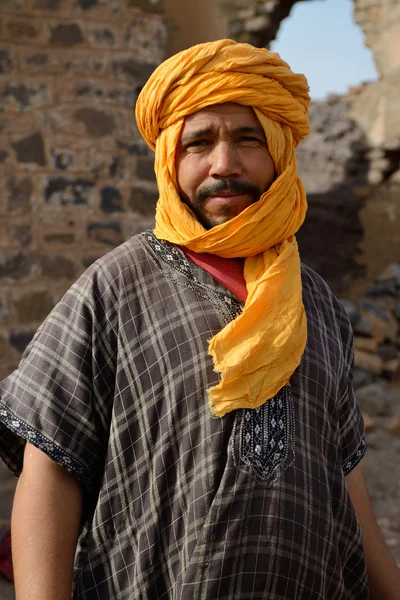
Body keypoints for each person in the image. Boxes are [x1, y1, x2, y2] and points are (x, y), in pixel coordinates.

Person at [0, 39, 399, 600]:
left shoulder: (318, 303)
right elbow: (50, 468)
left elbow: (346, 480)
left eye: (247, 139)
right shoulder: (116, 285)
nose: (224, 165)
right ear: (170, 159)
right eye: (199, 143)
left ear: (280, 150)